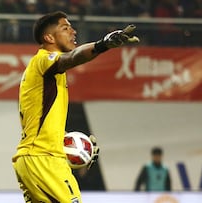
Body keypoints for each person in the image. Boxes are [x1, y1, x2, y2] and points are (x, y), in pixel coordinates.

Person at [12, 11, 139, 203]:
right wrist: (102, 44)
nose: (73, 31)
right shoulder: (43, 60)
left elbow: (42, 128)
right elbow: (71, 58)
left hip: (39, 159)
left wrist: (78, 150)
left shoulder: (47, 74)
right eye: (65, 28)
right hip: (43, 161)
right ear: (49, 37)